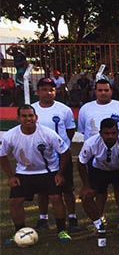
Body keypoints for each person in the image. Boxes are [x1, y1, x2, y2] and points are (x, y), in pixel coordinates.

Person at [0, 105, 72, 243]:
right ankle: (19, 232)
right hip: (23, 172)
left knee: (56, 198)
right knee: (15, 201)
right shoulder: (10, 135)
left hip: (48, 171)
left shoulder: (47, 133)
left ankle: (62, 231)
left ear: (36, 118)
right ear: (18, 118)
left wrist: (60, 174)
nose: (28, 119)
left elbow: (65, 152)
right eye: (24, 116)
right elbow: (2, 155)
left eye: (31, 116)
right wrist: (11, 176)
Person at [78, 118, 119, 240]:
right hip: (99, 170)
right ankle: (98, 226)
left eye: (113, 133)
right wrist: (86, 185)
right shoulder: (91, 143)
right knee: (86, 196)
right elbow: (81, 163)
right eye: (106, 133)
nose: (110, 136)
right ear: (100, 132)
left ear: (118, 131)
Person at [32, 77, 80, 232]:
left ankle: (72, 218)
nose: (48, 93)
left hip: (60, 156)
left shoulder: (64, 109)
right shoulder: (32, 110)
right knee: (42, 190)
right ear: (38, 91)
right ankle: (43, 219)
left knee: (67, 189)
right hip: (40, 156)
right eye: (44, 89)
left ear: (56, 91)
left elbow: (70, 131)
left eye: (51, 89)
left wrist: (61, 146)